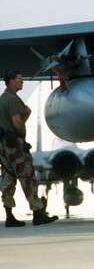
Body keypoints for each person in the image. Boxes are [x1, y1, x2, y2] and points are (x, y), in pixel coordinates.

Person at [0, 70, 58, 227]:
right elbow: (18, 124)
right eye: (19, 79)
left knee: (8, 178)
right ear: (11, 81)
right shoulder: (12, 100)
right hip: (15, 144)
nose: (22, 82)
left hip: (4, 145)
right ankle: (38, 213)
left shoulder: (2, 99)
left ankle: (9, 216)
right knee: (27, 176)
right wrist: (27, 114)